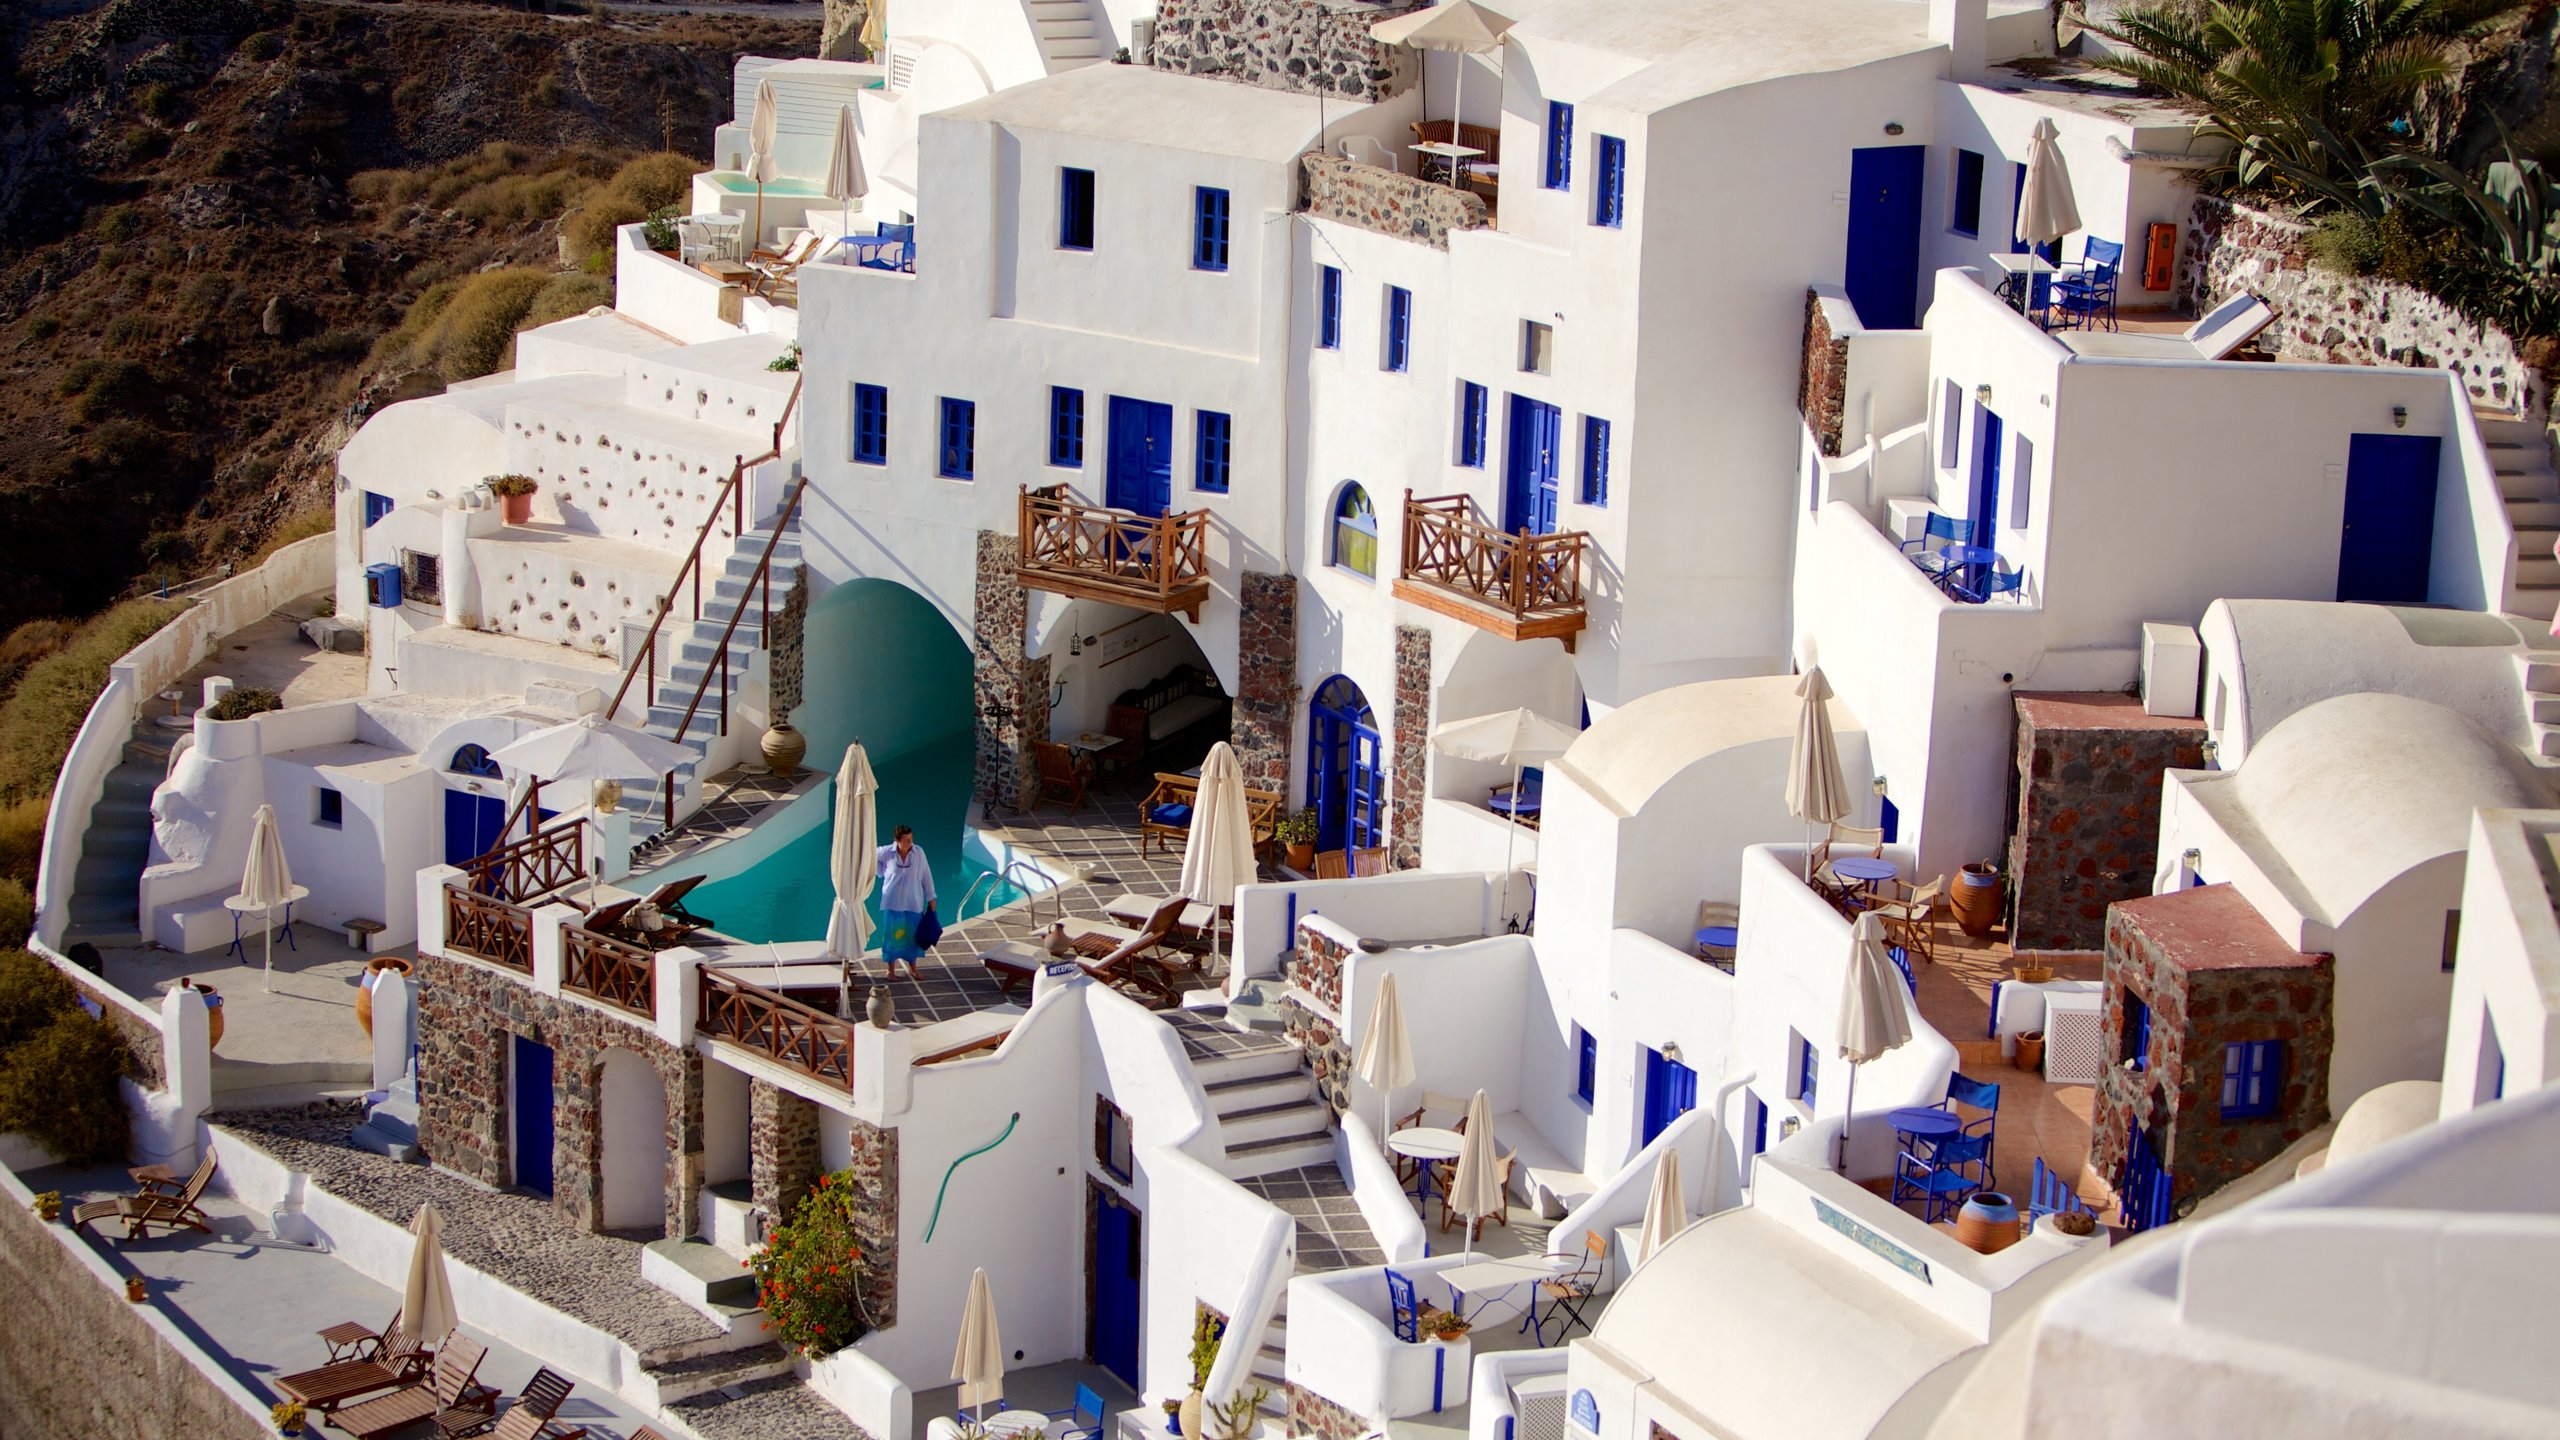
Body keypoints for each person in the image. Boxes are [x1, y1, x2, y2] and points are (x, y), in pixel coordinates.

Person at [875, 824, 935, 980]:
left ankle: (912, 968)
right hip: (893, 902)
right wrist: (881, 871)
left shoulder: (918, 852)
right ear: (897, 840)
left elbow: (926, 875)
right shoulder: (886, 852)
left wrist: (931, 897)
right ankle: (890, 970)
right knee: (891, 936)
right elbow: (870, 857)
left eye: (911, 839)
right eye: (906, 840)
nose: (910, 843)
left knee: (912, 936)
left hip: (913, 902)